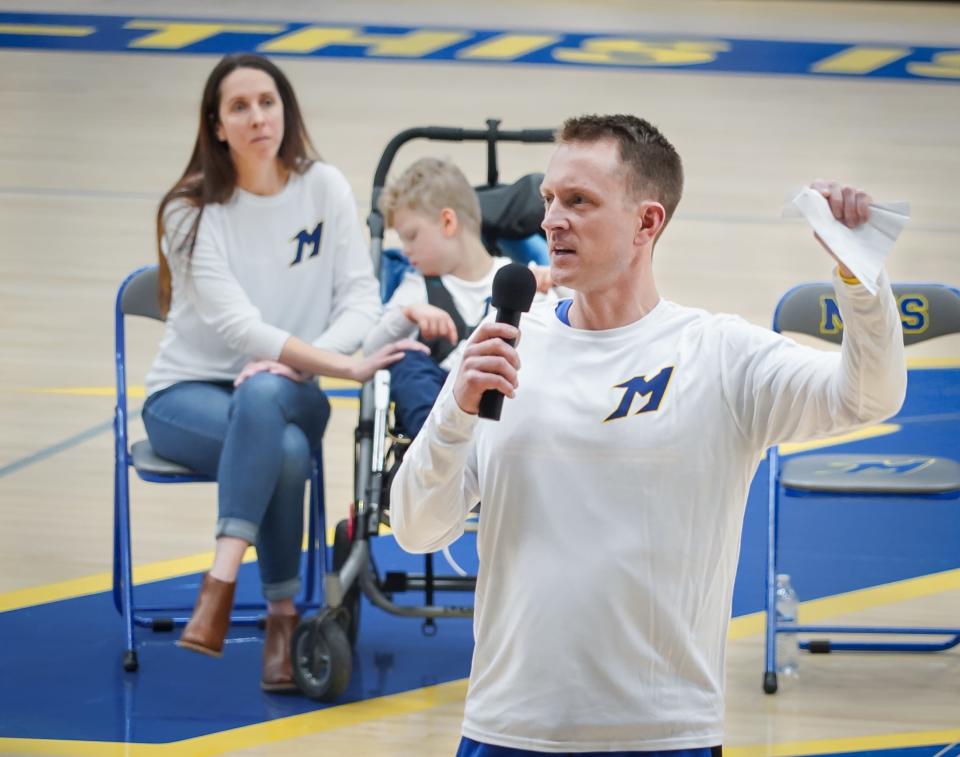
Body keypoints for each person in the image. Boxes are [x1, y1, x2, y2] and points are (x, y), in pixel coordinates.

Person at [390, 114, 907, 754]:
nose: (552, 219)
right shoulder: (501, 347)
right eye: (550, 199)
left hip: (664, 734)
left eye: (579, 201)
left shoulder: (719, 356)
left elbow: (870, 395)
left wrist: (861, 279)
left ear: (647, 223)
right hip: (505, 727)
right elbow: (416, 529)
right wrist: (453, 413)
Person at [141, 53, 425, 693]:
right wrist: (341, 365)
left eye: (266, 102)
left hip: (293, 388)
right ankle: (281, 621)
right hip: (186, 398)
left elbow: (359, 300)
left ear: (285, 110)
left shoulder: (321, 186)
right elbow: (238, 329)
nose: (256, 116)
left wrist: (303, 360)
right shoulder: (189, 212)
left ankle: (221, 581)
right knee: (287, 448)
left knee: (269, 392)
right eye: (238, 107)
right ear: (216, 126)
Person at [363, 156, 553, 440]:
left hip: (505, 408)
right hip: (440, 414)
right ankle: (439, 442)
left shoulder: (520, 280)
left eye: (411, 236)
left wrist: (556, 286)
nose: (405, 251)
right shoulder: (416, 289)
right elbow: (371, 352)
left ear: (448, 222)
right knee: (406, 360)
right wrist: (408, 315)